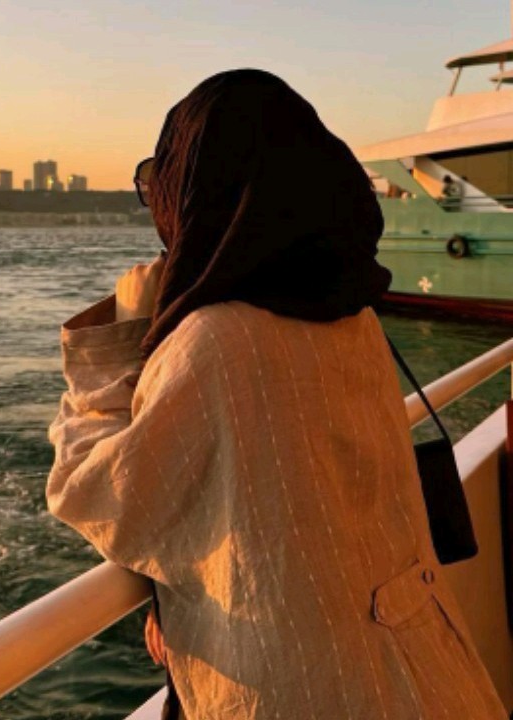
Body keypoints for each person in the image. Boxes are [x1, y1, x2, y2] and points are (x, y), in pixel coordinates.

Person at [46, 69, 506, 719]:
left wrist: (119, 338)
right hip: (424, 672)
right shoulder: (351, 315)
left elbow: (96, 493)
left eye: (161, 179)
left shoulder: (215, 341)